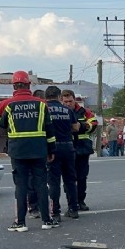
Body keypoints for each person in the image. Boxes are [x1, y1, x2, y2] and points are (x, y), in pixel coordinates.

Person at [0, 70, 58, 232]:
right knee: (41, 185)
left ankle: (20, 223)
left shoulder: (7, 105)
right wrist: (51, 150)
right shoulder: (42, 104)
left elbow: (0, 123)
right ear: (29, 84)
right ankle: (47, 220)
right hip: (39, 150)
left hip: (18, 152)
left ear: (14, 85)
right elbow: (50, 131)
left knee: (21, 186)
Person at [45, 86, 80, 221]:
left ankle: (55, 213)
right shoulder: (67, 110)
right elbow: (76, 127)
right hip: (68, 147)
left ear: (45, 97)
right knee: (70, 180)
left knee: (53, 182)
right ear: (59, 97)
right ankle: (73, 209)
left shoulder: (44, 109)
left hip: (52, 149)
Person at [61, 89, 98, 211]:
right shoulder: (60, 112)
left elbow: (94, 123)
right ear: (61, 100)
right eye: (65, 101)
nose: (68, 104)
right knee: (69, 177)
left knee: (82, 177)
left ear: (74, 99)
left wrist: (81, 127)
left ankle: (81, 200)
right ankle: (72, 202)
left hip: (82, 148)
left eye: (70, 101)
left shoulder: (84, 112)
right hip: (66, 149)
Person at [27, 89, 46, 218]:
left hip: (26, 150)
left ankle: (34, 208)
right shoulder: (42, 109)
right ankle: (39, 208)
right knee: (39, 181)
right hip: (39, 150)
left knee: (30, 181)